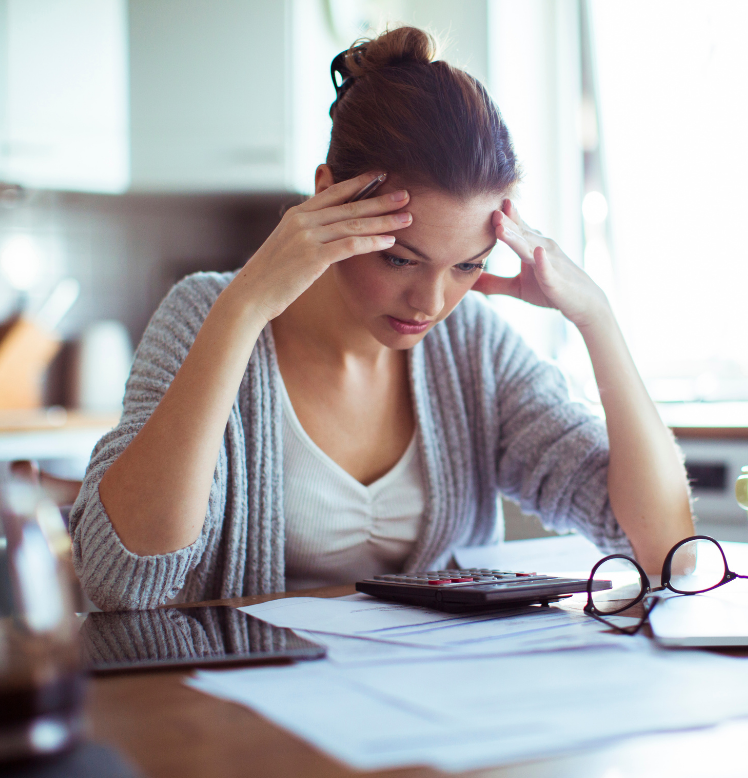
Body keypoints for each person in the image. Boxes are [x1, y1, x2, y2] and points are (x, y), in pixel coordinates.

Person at [69, 26, 694, 611]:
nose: (430, 304)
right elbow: (122, 582)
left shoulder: (472, 348)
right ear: (326, 196)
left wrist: (598, 320)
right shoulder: (207, 313)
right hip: (245, 718)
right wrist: (246, 307)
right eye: (399, 258)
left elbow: (665, 550)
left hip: (425, 710)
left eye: (467, 267)